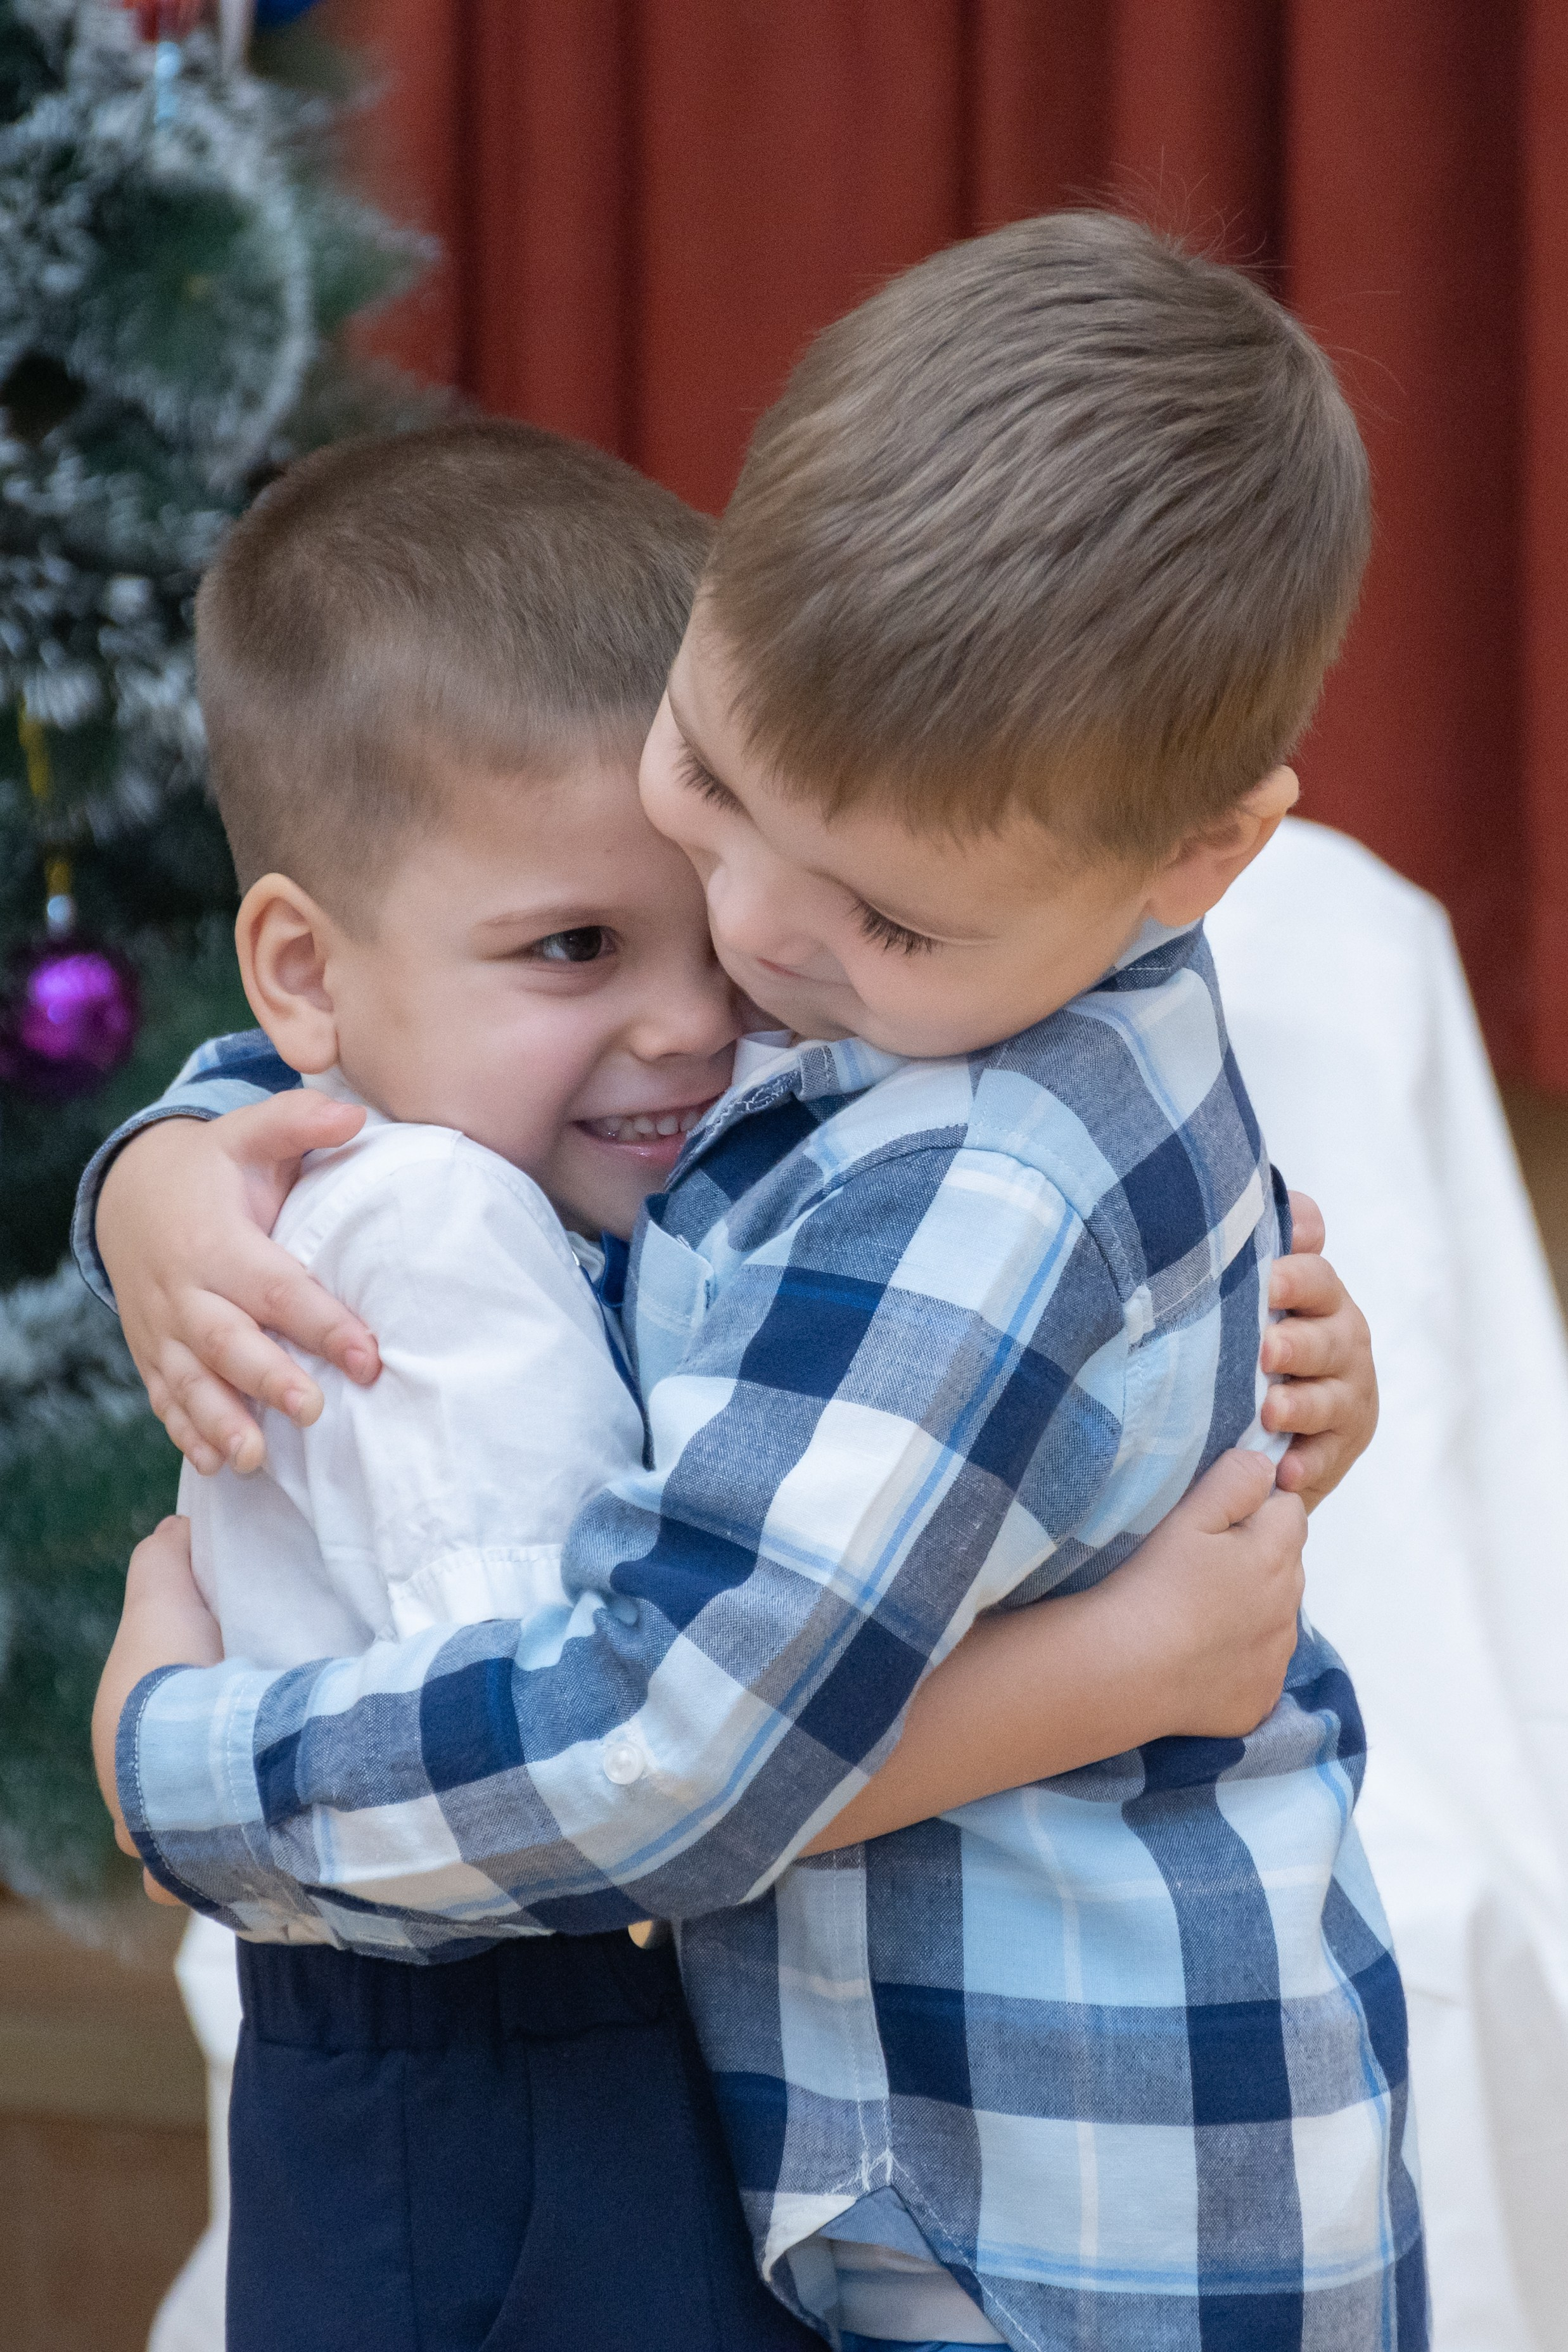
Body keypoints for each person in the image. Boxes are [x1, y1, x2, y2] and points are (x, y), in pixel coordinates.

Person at [87, 214, 1406, 2351]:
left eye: (875, 920)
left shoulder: (979, 1175)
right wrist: (162, 1166)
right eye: (706, 794)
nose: (752, 972)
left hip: (1056, 2229)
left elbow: (676, 1747)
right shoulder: (938, 961)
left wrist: (184, 1774)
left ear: (1200, 860)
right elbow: (421, 1049)